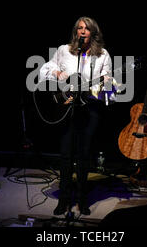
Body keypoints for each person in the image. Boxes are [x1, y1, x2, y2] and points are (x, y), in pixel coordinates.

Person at [39, 16, 115, 215]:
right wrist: (56, 73)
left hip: (90, 108)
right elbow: (45, 69)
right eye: (80, 28)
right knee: (66, 154)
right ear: (76, 32)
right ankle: (64, 200)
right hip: (68, 107)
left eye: (87, 28)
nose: (83, 31)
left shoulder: (103, 55)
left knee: (84, 155)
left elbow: (109, 85)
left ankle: (82, 199)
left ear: (93, 32)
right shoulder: (64, 50)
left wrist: (106, 83)